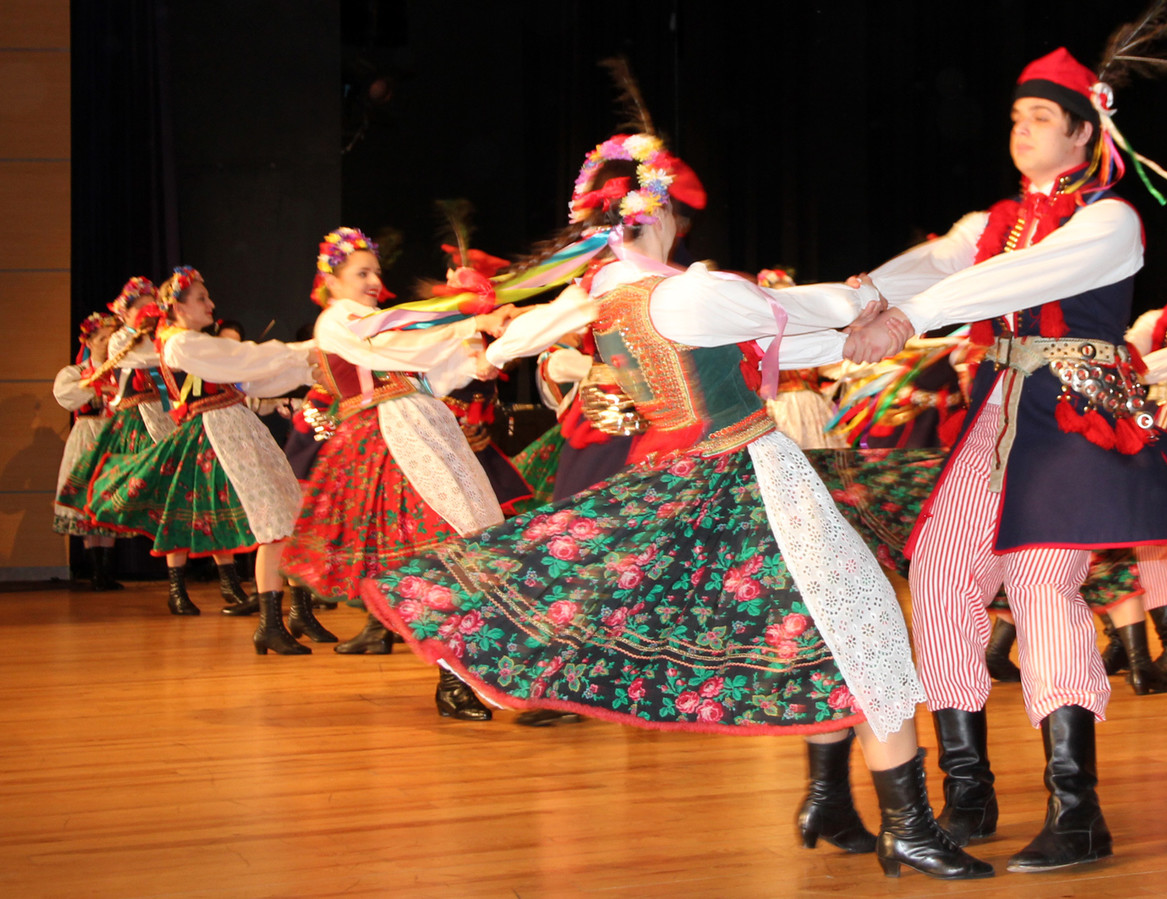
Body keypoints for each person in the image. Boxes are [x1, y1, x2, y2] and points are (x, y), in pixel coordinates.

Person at [358, 133, 990, 880]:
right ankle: (907, 827)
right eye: (675, 211)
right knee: (865, 626)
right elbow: (789, 306)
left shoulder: (606, 298)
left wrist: (858, 327)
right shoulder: (685, 293)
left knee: (823, 630)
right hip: (755, 474)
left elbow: (766, 342)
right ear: (653, 211)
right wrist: (866, 301)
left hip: (698, 477)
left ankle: (830, 800)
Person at [850, 40, 1167, 873]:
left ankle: (1077, 808)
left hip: (1073, 412)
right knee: (940, 572)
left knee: (1040, 581)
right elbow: (932, 262)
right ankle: (968, 788)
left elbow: (1019, 279)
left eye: (1040, 117)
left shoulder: (1110, 221)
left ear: (1084, 132)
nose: (1021, 129)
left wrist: (910, 317)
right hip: (999, 406)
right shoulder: (993, 221)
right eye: (1016, 116)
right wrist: (857, 298)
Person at [279, 227, 527, 712]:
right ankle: (454, 679)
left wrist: (486, 336)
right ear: (332, 281)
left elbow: (435, 370)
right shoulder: (340, 319)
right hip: (389, 438)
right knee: (447, 546)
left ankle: (466, 673)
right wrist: (465, 318)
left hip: (426, 426)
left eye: (376, 272)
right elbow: (395, 343)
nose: (375, 281)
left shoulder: (381, 324)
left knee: (465, 544)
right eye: (362, 273)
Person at [78, 267, 323, 652]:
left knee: (288, 514)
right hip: (220, 430)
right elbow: (244, 360)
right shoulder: (179, 344)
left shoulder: (193, 342)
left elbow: (250, 377)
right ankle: (270, 623)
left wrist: (305, 365)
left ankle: (297, 612)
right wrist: (307, 350)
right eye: (201, 298)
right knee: (275, 521)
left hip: (239, 425)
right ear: (177, 307)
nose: (211, 304)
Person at [53, 311, 124, 589]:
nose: (107, 343)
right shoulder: (75, 372)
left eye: (111, 338)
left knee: (109, 499)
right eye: (102, 338)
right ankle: (95, 571)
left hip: (114, 435)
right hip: (87, 435)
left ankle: (106, 570)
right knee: (87, 498)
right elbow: (65, 396)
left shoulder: (123, 372)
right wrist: (97, 388)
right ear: (89, 341)